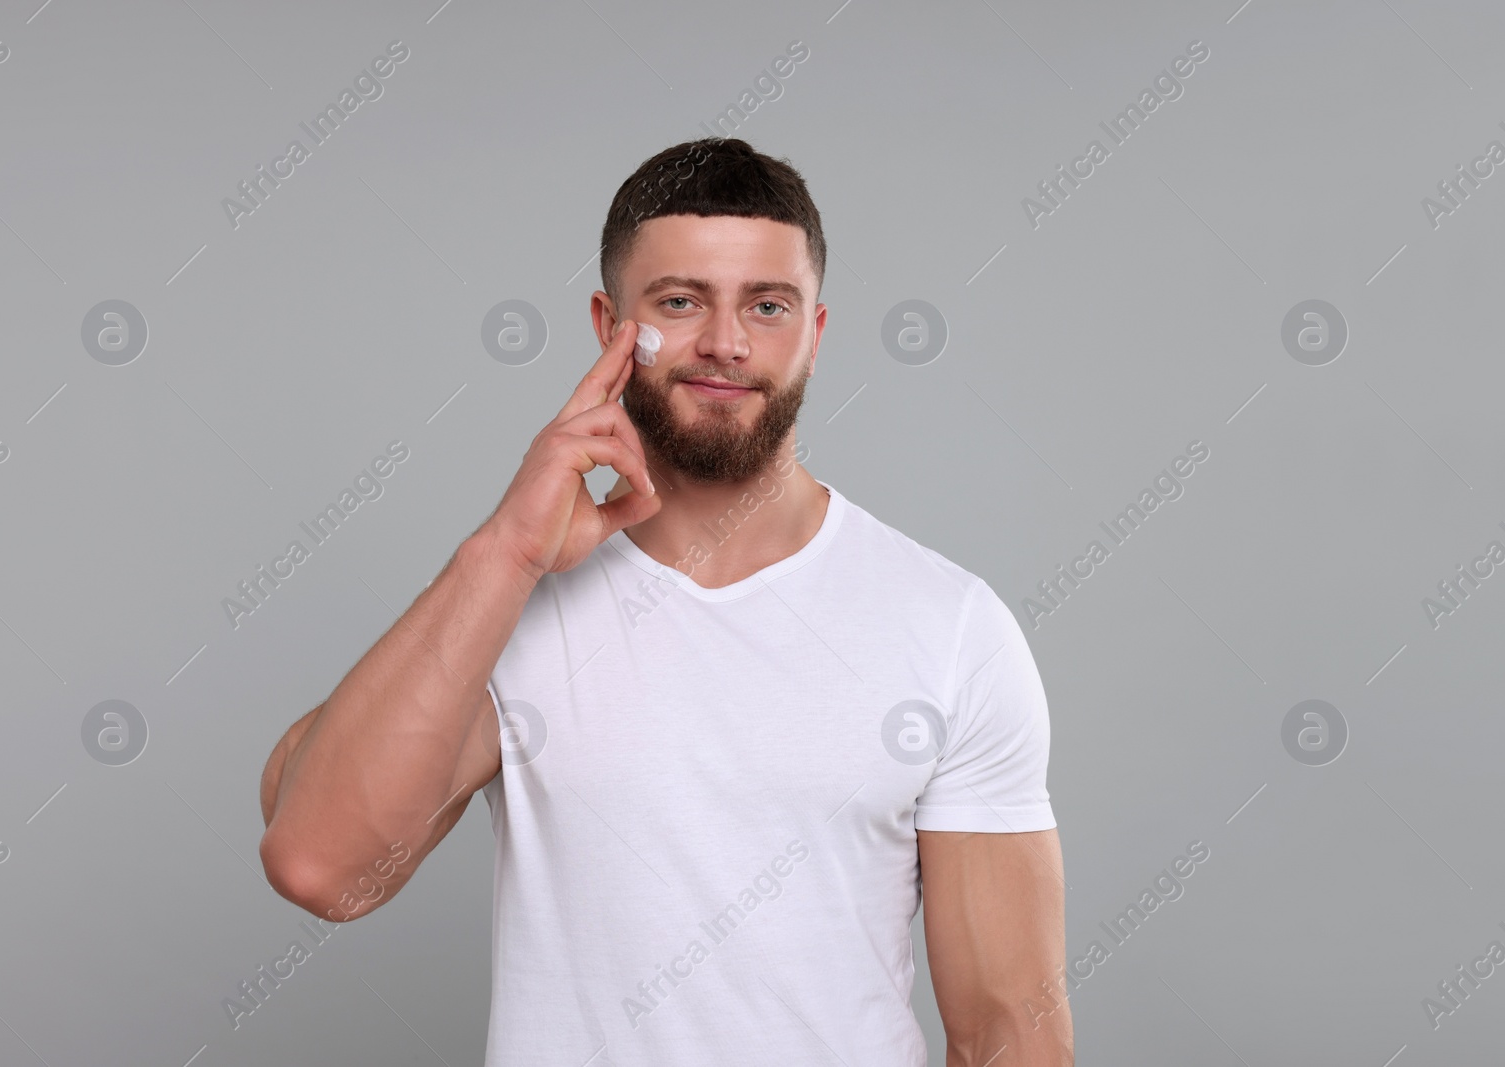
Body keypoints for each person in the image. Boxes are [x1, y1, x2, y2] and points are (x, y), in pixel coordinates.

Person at [258, 137, 1073, 1066]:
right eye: (680, 301)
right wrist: (508, 551)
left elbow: (1009, 1031)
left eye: (768, 306)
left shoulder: (951, 628)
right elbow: (321, 864)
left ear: (813, 331)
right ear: (611, 322)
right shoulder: (510, 606)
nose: (726, 341)